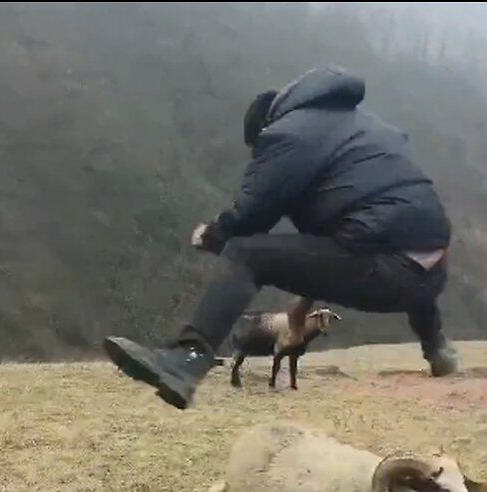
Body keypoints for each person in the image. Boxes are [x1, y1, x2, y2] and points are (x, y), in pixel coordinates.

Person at [103, 66, 460, 410]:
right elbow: (348, 244)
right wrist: (304, 305)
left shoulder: (288, 134)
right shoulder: (364, 126)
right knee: (402, 246)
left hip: (385, 266)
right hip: (431, 269)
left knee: (246, 254)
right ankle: (437, 348)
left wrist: (214, 233)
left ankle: (186, 360)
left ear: (264, 128)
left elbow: (253, 212)